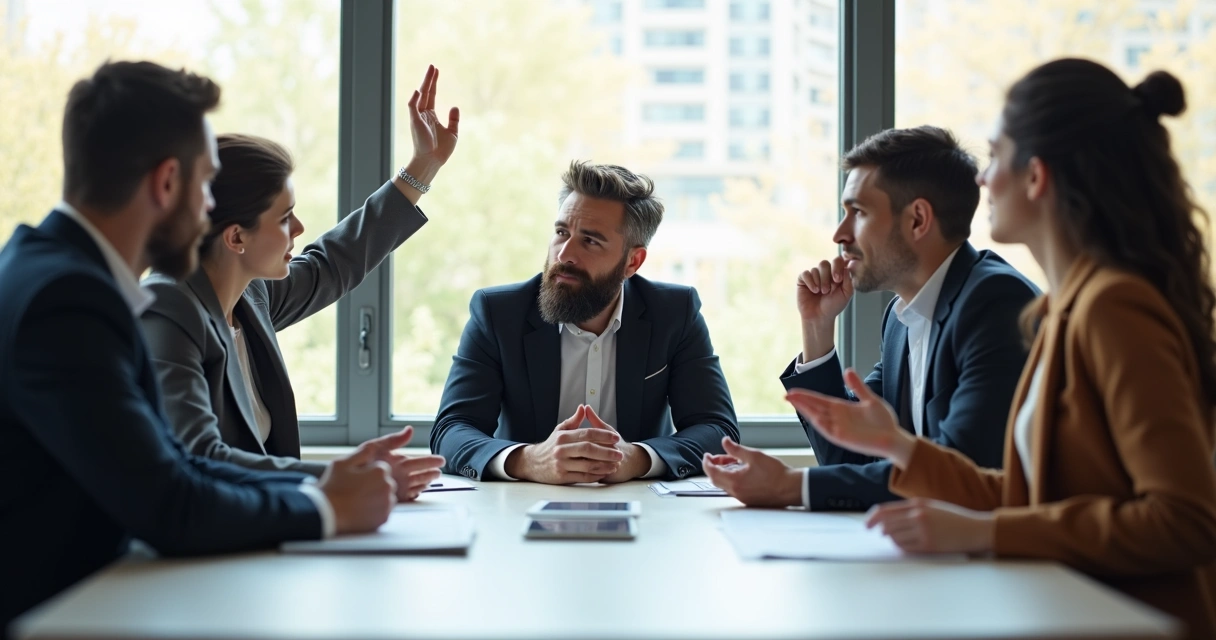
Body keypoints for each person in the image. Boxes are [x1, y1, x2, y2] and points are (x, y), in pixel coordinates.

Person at [785, 59, 1216, 638]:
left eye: (995, 157)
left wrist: (984, 532)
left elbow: (1184, 521)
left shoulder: (1113, 307)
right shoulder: (1061, 307)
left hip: (1121, 618)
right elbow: (1023, 492)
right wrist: (898, 446)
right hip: (1059, 604)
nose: (982, 180)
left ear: (1036, 177)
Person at [0, 61, 414, 631]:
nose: (207, 208)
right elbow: (169, 499)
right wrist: (327, 505)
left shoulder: (51, 271)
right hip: (62, 614)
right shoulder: (69, 301)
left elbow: (170, 469)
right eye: (204, 183)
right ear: (167, 184)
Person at [139, 65, 451, 495]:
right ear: (236, 237)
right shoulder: (167, 308)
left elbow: (334, 263)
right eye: (285, 218)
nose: (300, 228)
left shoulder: (251, 297)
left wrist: (422, 166)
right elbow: (199, 455)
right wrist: (343, 479)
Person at [704, 126, 1038, 511]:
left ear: (917, 220)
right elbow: (852, 458)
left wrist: (789, 485)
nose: (839, 234)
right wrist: (817, 329)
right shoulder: (900, 320)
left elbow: (962, 473)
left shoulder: (994, 303)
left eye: (858, 212)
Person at [431, 161, 739, 484]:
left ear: (632, 261)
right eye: (562, 232)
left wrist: (635, 458)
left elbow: (718, 432)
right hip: (519, 507)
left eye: (590, 241)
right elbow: (451, 431)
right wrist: (530, 460)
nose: (564, 254)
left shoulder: (674, 313)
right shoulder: (498, 313)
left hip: (647, 513)